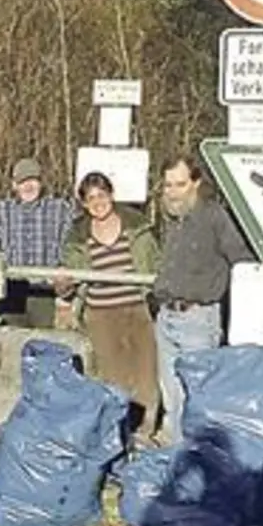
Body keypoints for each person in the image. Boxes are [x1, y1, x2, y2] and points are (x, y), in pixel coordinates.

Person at [150, 154, 254, 442]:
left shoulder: (214, 216)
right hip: (166, 316)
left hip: (199, 318)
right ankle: (175, 461)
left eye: (180, 184)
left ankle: (195, 463)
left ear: (195, 183)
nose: (172, 191)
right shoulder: (172, 219)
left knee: (195, 397)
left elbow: (241, 259)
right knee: (171, 399)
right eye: (168, 185)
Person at [53, 172, 162, 443]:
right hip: (100, 313)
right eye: (91, 198)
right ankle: (120, 432)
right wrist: (62, 287)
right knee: (114, 376)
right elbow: (69, 278)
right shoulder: (77, 236)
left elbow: (155, 263)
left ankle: (146, 431)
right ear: (84, 204)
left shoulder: (137, 227)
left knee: (146, 372)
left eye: (102, 195)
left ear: (111, 195)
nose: (98, 202)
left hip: (137, 308)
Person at [0, 157, 76, 328]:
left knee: (42, 341)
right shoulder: (4, 209)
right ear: (14, 185)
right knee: (12, 340)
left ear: (41, 182)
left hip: (44, 290)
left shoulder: (59, 208)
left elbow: (73, 242)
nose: (28, 186)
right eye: (22, 182)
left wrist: (64, 267)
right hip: (12, 287)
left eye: (32, 180)